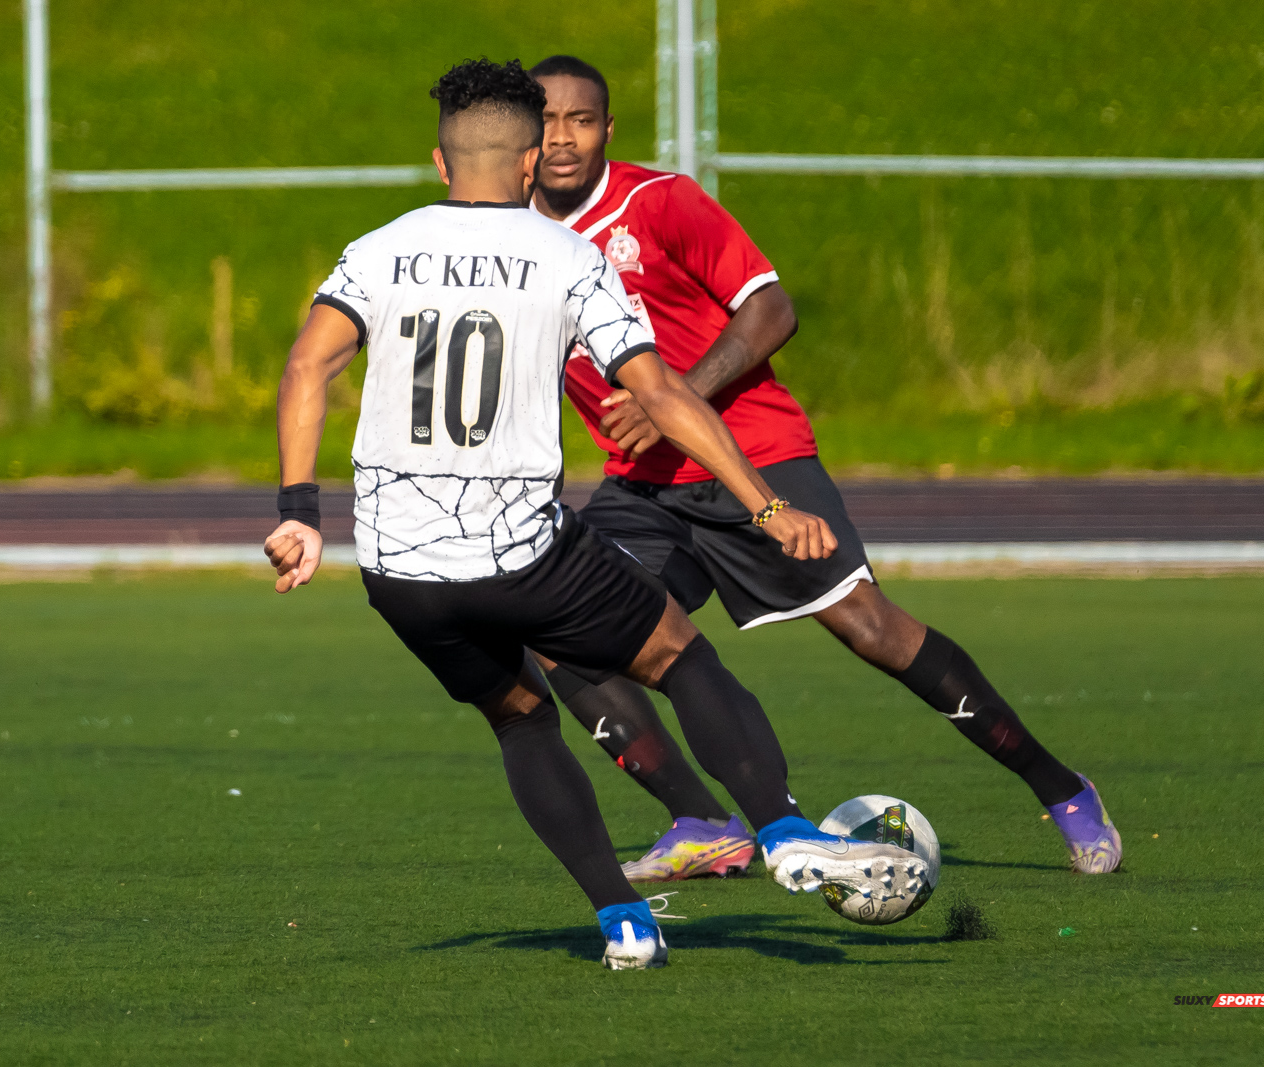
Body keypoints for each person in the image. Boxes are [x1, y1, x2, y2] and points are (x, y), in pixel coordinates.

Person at [265, 59, 926, 970]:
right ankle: (780, 827)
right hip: (522, 552)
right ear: (532, 161)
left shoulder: (378, 249)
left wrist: (301, 511)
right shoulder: (565, 254)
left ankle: (622, 920)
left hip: (399, 572)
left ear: (439, 159)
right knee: (680, 654)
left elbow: (308, 366)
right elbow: (659, 392)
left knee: (522, 721)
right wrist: (767, 504)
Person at [524, 54, 1121, 881]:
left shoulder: (660, 203)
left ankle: (1060, 787)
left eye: (580, 121)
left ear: (608, 129)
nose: (561, 139)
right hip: (644, 488)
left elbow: (772, 309)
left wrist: (674, 396)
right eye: (545, 121)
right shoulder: (510, 236)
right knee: (558, 630)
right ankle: (699, 819)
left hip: (754, 453)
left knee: (869, 627)